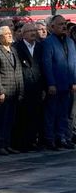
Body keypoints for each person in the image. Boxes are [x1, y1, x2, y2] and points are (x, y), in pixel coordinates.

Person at [41, 15, 76, 150]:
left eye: (65, 24)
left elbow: (73, 63)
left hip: (68, 84)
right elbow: (47, 64)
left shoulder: (70, 42)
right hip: (55, 85)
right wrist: (51, 83)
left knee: (64, 113)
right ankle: (50, 139)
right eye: (60, 24)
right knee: (51, 113)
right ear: (52, 27)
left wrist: (73, 81)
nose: (63, 26)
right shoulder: (48, 42)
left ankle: (61, 137)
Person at [0, 26, 24, 155]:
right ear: (0, 38)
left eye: (10, 33)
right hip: (5, 91)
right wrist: (0, 91)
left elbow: (19, 70)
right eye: (6, 34)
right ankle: (0, 145)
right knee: (2, 120)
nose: (10, 35)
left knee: (11, 120)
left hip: (15, 91)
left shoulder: (13, 50)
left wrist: (21, 90)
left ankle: (8, 144)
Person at [13, 23, 44, 151]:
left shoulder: (40, 47)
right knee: (23, 116)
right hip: (24, 86)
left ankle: (32, 141)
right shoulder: (16, 47)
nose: (33, 33)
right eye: (30, 31)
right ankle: (22, 143)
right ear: (23, 33)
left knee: (35, 115)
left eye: (34, 30)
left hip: (37, 86)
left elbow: (43, 67)